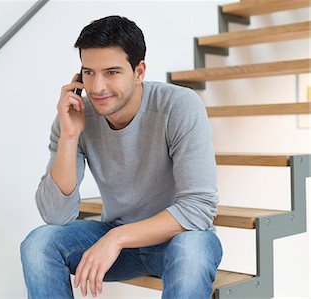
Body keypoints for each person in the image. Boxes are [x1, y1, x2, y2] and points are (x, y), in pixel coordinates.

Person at [20, 15, 222, 299]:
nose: (98, 87)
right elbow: (55, 215)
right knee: (38, 244)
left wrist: (117, 238)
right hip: (119, 240)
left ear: (139, 71)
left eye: (112, 72)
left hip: (178, 239)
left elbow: (198, 209)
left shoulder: (179, 106)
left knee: (192, 250)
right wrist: (69, 137)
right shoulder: (76, 116)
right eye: (88, 72)